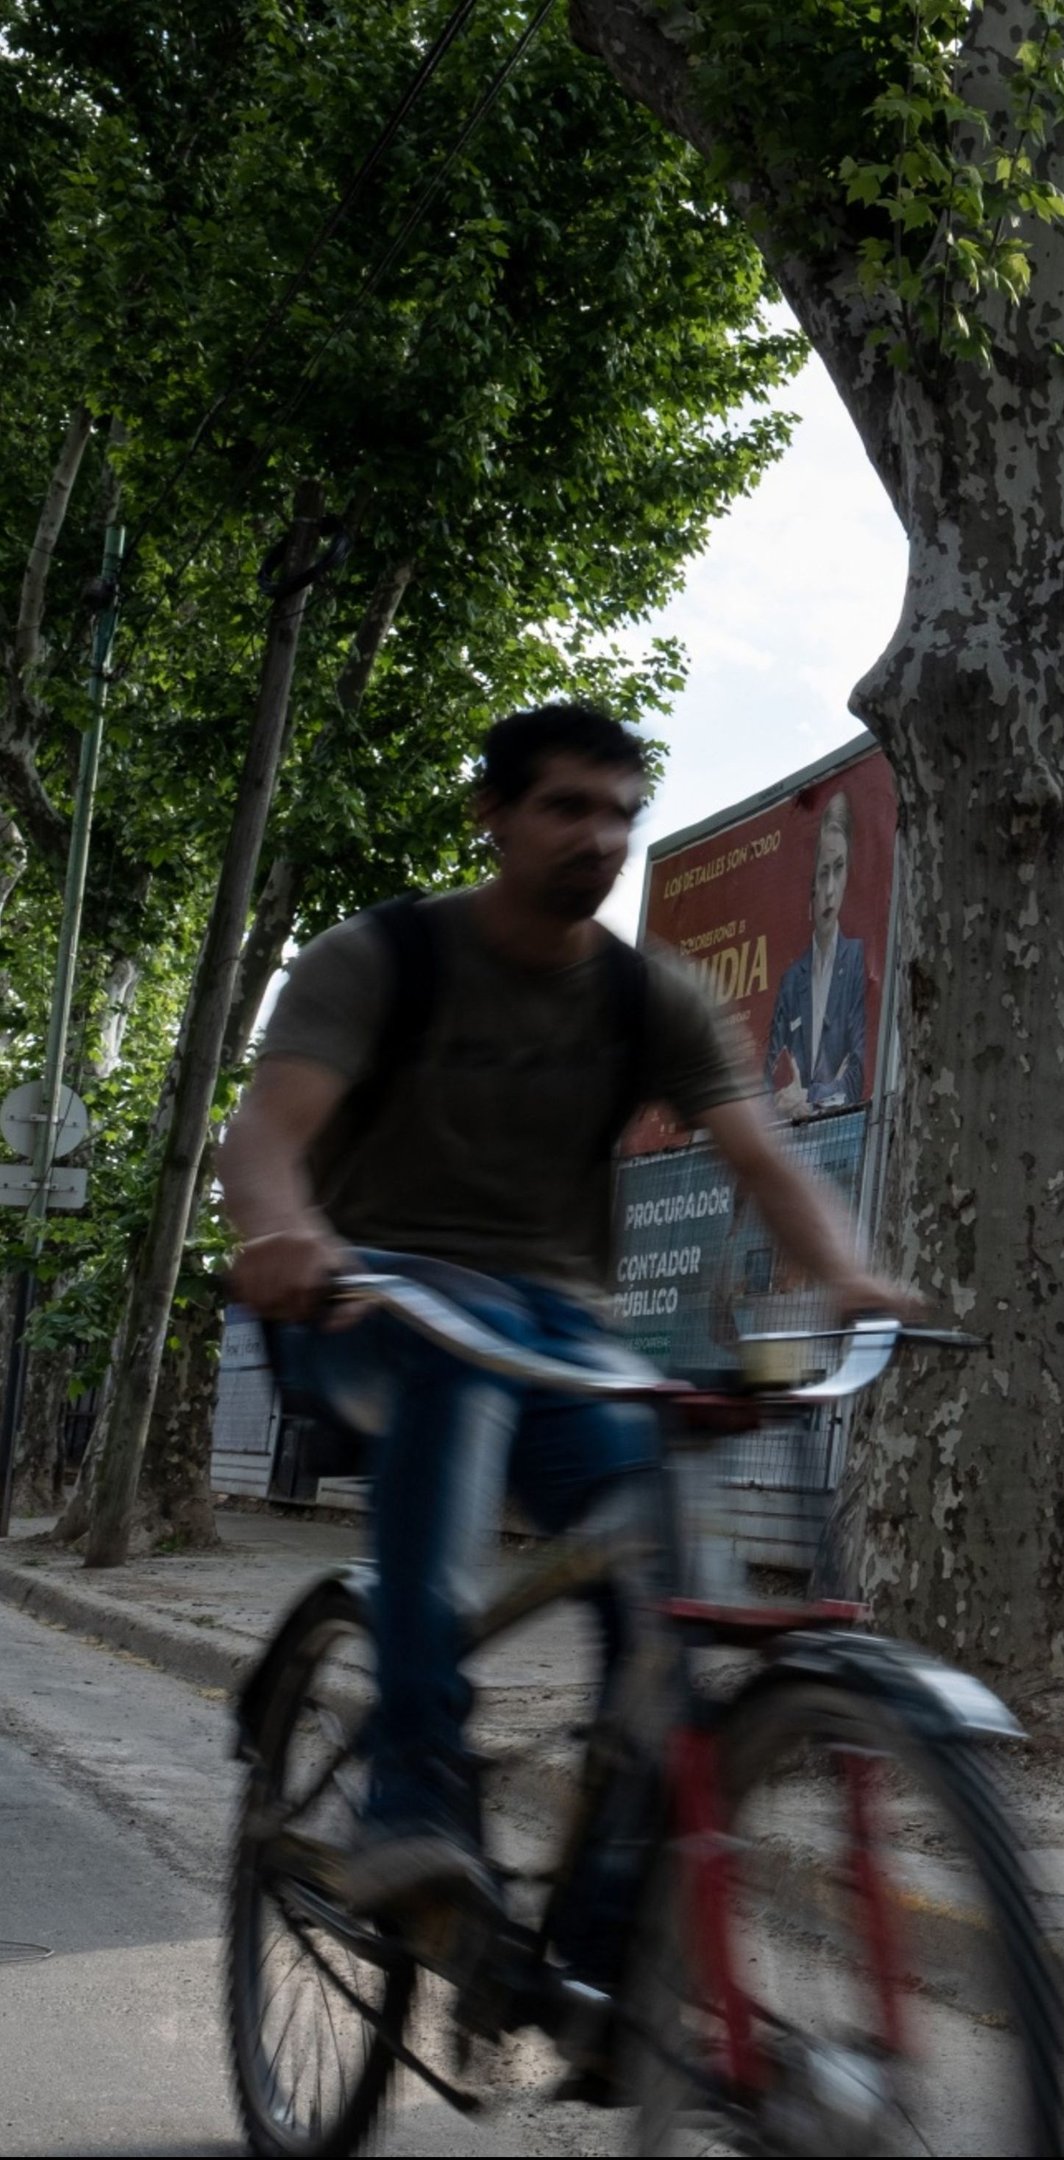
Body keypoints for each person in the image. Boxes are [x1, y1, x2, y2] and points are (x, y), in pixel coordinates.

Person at [215, 705, 908, 2013]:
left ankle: (589, 1955)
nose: (599, 837)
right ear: (494, 814)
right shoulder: (384, 960)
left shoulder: (650, 998)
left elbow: (764, 1158)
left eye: (619, 815)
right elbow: (264, 1137)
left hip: (550, 1336)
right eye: (566, 808)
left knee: (673, 1576)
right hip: (367, 1310)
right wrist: (286, 1234)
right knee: (453, 1377)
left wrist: (849, 1274)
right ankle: (410, 1800)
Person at [766, 789, 871, 1117]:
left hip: (840, 1140)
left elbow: (855, 1077)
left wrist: (809, 1096)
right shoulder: (791, 981)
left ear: (847, 875)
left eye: (838, 869)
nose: (829, 889)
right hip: (788, 1144)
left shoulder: (855, 959)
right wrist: (786, 1098)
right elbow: (767, 1080)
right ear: (811, 883)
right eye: (823, 872)